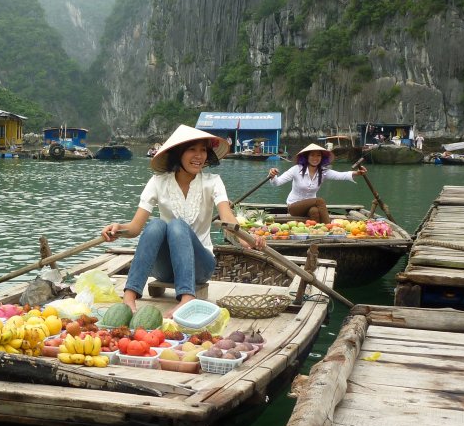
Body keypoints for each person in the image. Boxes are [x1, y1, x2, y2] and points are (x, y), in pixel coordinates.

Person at [101, 125, 263, 318]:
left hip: (200, 267)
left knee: (176, 226)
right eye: (192, 149)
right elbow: (135, 228)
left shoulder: (213, 182)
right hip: (164, 269)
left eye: (203, 150)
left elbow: (228, 220)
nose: (199, 155)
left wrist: (249, 240)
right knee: (156, 225)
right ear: (178, 154)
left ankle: (187, 298)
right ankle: (129, 296)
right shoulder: (158, 182)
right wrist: (118, 230)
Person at [268, 143, 366, 223]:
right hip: (294, 207)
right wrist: (272, 175)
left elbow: (341, 175)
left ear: (322, 158)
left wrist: (357, 173)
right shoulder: (296, 169)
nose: (315, 158)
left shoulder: (323, 172)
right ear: (307, 157)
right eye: (312, 155)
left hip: (310, 207)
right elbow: (277, 182)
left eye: (318, 155)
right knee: (319, 201)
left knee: (314, 211)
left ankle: (317, 234)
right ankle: (329, 227)